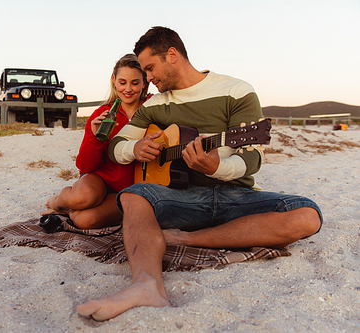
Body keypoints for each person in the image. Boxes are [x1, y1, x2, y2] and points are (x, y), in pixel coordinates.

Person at [77, 26, 322, 320]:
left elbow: (253, 156)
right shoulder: (155, 104)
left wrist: (218, 167)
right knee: (134, 196)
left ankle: (185, 239)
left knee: (307, 215)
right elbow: (116, 144)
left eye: (150, 69)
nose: (149, 81)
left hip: (237, 196)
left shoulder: (236, 90)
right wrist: (136, 149)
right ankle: (146, 285)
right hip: (180, 199)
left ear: (172, 55)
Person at [42, 54, 150, 229]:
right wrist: (94, 137)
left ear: (145, 82)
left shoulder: (152, 109)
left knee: (85, 221)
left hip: (130, 190)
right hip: (99, 179)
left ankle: (70, 212)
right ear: (114, 81)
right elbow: (85, 166)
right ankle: (59, 201)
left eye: (135, 83)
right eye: (122, 82)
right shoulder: (102, 113)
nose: (128, 89)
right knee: (82, 197)